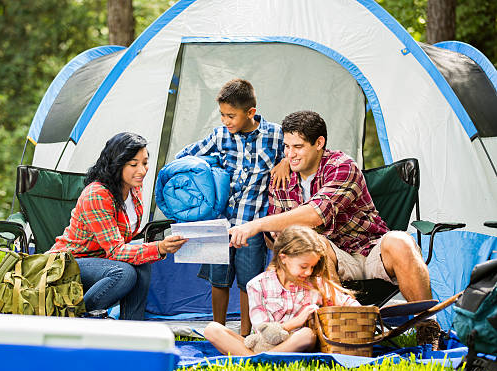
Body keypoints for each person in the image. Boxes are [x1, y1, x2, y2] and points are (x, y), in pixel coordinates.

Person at [228, 110, 441, 349]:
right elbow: (281, 241)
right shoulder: (282, 179)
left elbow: (316, 215)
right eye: (286, 147)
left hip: (369, 249)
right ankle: (331, 332)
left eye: (297, 146)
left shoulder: (342, 166)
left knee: (401, 241)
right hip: (329, 257)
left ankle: (428, 327)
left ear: (319, 143)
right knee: (313, 245)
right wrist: (275, 238)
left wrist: (257, 224)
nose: (289, 154)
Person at [175, 78, 290, 336]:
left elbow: (295, 154)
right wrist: (207, 169)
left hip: (253, 224)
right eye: (222, 115)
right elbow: (184, 156)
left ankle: (245, 333)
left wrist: (284, 163)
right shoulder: (220, 136)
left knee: (249, 281)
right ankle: (218, 328)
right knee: (219, 278)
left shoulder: (275, 134)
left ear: (250, 112)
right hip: (222, 223)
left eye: (231, 116)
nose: (226, 121)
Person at [50, 132, 188, 320]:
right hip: (68, 263)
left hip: (101, 260)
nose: (142, 170)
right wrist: (159, 247)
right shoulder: (98, 194)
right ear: (117, 164)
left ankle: (132, 330)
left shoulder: (133, 189)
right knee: (123, 273)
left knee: (142, 265)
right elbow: (115, 251)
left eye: (145, 163)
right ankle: (80, 317)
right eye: (133, 164)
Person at [204, 226, 360, 356]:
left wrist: (364, 311)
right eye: (304, 266)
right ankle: (261, 359)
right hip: (262, 344)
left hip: (295, 344)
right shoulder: (257, 285)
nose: (308, 272)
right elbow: (262, 329)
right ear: (283, 258)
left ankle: (255, 361)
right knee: (212, 329)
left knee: (307, 335)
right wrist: (295, 322)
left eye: (312, 267)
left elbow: (347, 302)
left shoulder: (316, 284)